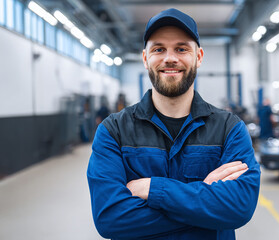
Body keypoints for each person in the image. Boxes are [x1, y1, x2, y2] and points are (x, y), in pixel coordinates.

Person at [87, 8, 261, 240]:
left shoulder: (230, 129)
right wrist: (204, 201)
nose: (170, 58)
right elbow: (110, 218)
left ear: (198, 57)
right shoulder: (113, 130)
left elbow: (239, 207)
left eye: (181, 49)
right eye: (159, 49)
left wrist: (153, 189)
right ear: (145, 58)